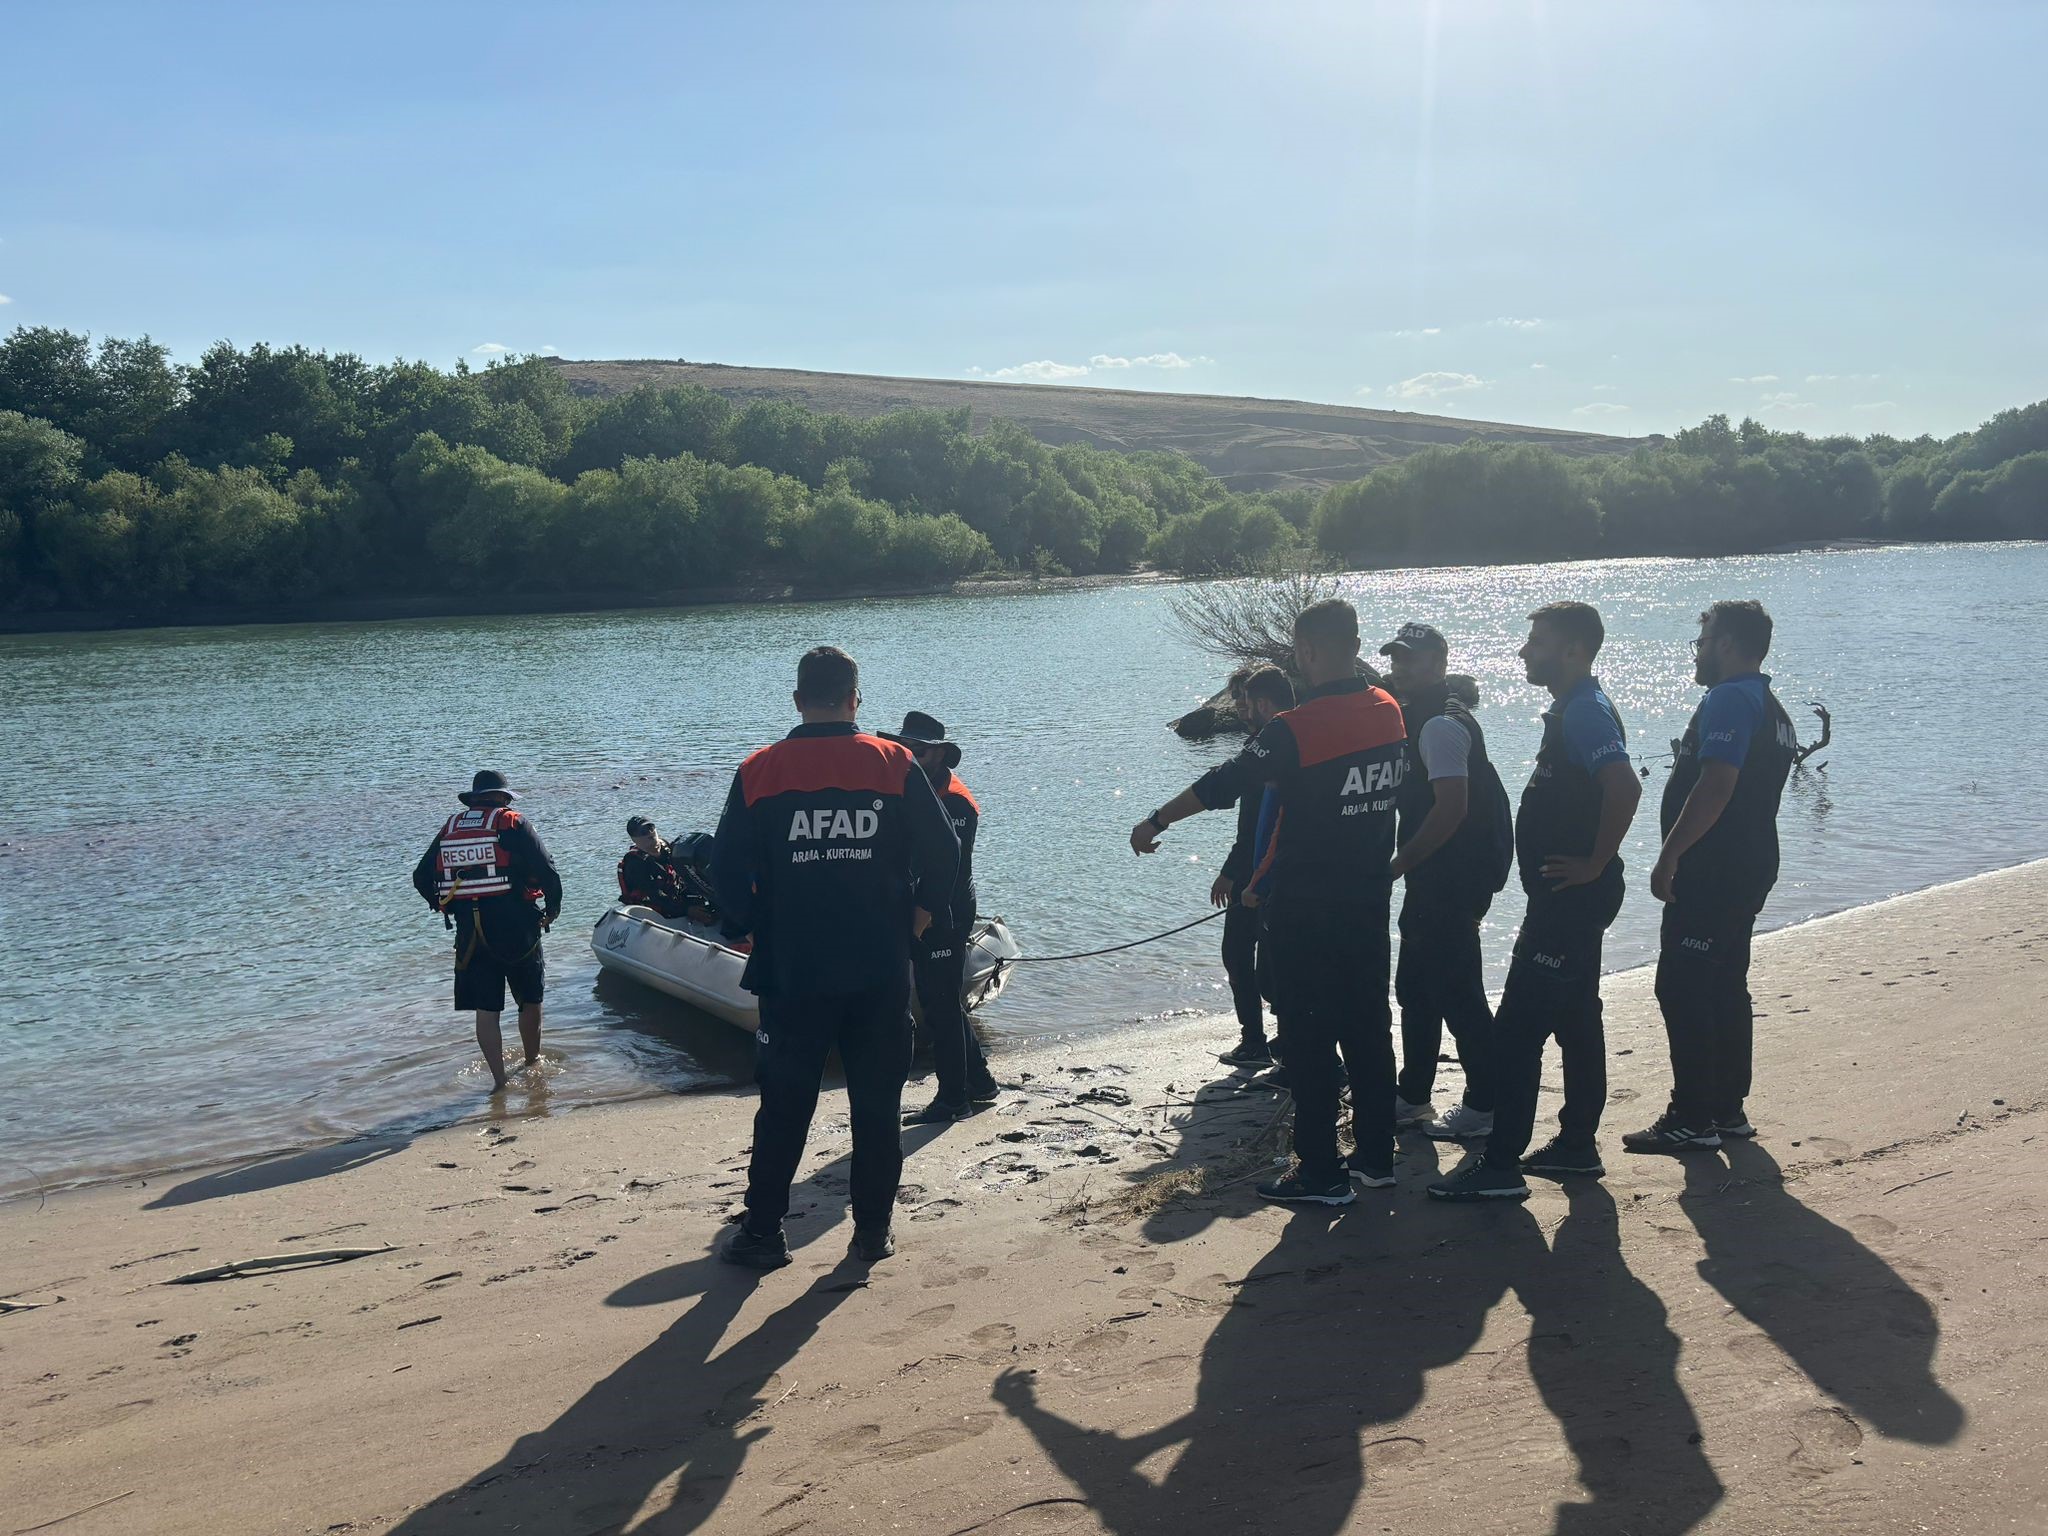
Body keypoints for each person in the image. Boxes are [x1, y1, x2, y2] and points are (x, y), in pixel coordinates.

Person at [1132, 598, 1407, 1206]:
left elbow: (1224, 784)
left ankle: (1320, 1175)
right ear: (1355, 642)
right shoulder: (1389, 711)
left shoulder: (1297, 727)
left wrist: (1156, 819)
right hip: (1368, 899)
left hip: (1307, 904)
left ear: (1306, 651)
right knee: (1368, 1027)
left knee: (1307, 1036)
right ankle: (1376, 1158)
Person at [710, 647, 959, 1269]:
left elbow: (726, 871)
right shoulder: (894, 761)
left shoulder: (759, 769)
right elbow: (945, 850)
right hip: (877, 966)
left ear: (798, 700)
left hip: (793, 971)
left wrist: (746, 926)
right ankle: (871, 1233)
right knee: (876, 1105)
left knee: (785, 1105)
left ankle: (763, 1234)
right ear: (855, 698)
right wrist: (922, 912)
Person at [1430, 603, 1640, 1203]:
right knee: (1577, 1018)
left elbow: (1624, 786)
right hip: (1570, 896)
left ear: (1573, 650)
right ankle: (1576, 1145)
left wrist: (1597, 860)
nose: (1524, 651)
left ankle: (1500, 1166)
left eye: (1537, 642)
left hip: (1571, 899)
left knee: (1517, 1033)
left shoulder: (1586, 713)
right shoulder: (1572, 710)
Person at [1626, 601, 1797, 1153]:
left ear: (1726, 644)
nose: (1697, 652)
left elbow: (1717, 783)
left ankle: (1693, 1116)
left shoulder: (1730, 697)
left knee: (1682, 984)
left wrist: (1669, 854)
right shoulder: (1771, 706)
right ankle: (1726, 1109)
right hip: (1750, 861)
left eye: (1701, 641)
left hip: (1716, 867)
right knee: (1724, 981)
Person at [1380, 623, 1514, 1142]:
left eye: (1412, 659)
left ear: (1440, 661)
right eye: (1396, 658)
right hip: (1433, 875)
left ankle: (1486, 1103)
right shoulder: (1420, 716)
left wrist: (1393, 866)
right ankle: (1413, 1096)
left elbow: (1451, 809)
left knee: (1458, 993)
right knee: (1415, 988)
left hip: (1453, 877)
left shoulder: (1440, 724)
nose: (1401, 668)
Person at [412, 770, 563, 1092]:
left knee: (487, 1008)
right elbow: (547, 870)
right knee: (530, 999)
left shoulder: (451, 828)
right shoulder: (513, 823)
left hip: (471, 932)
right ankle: (532, 1062)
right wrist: (552, 910)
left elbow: (420, 877)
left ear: (474, 798)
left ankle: (499, 1081)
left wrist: (446, 906)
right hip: (517, 926)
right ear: (504, 797)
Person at [888, 711, 1003, 1124]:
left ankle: (953, 1099)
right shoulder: (915, 788)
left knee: (941, 1006)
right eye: (905, 748)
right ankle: (981, 1083)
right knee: (944, 1001)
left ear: (938, 753)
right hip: (929, 907)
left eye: (917, 749)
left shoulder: (955, 801)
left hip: (945, 910)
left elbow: (948, 867)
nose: (910, 755)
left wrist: (927, 914)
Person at [1210, 665, 1295, 1069]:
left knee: (1255, 960)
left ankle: (1265, 1039)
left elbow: (1255, 829)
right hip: (1257, 866)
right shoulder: (1258, 747)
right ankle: (1265, 1038)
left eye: (1247, 700)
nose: (1242, 709)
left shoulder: (1268, 750)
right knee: (1246, 958)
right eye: (1237, 701)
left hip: (1264, 872)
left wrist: (1231, 872)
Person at [617, 815, 690, 918]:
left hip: (675, 899)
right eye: (643, 832)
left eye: (651, 828)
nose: (650, 834)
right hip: (650, 910)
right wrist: (687, 910)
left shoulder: (666, 848)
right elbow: (655, 895)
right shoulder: (635, 863)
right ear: (634, 839)